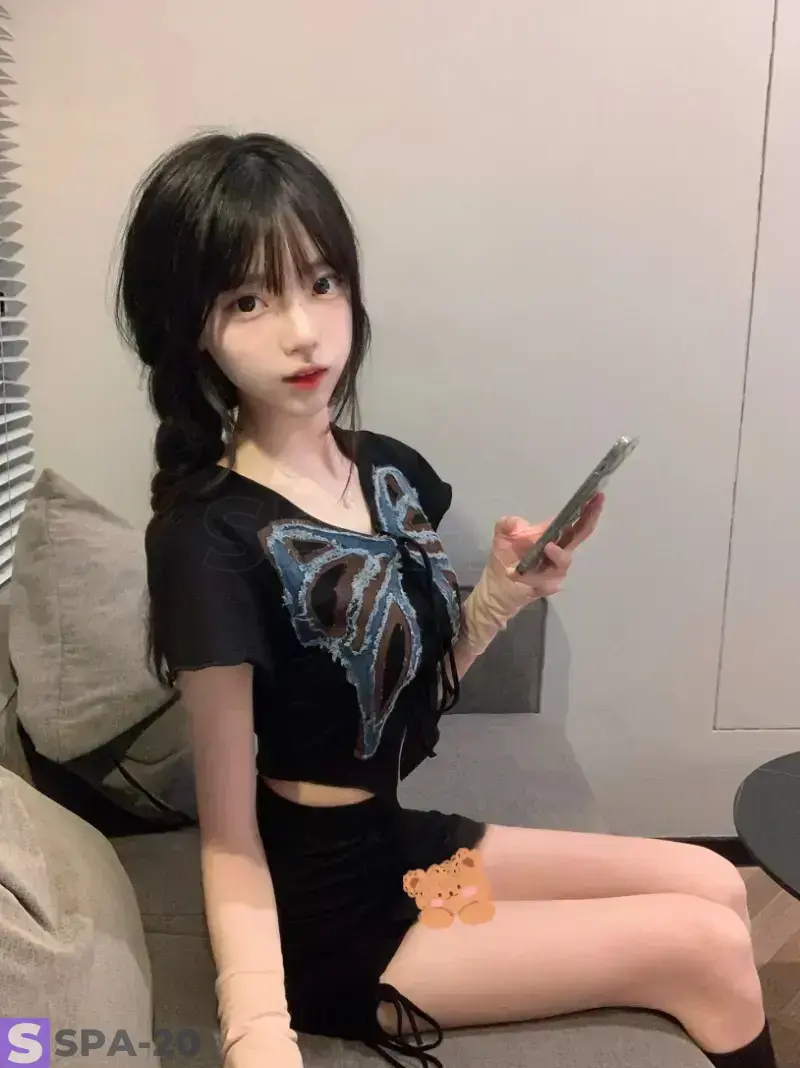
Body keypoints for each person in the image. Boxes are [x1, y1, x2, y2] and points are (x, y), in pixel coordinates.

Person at [114, 131, 776, 1068]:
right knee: (701, 945)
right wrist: (255, 1024)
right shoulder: (208, 540)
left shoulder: (387, 470)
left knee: (712, 879)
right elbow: (227, 836)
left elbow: (401, 699)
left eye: (321, 283)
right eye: (248, 300)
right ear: (191, 326)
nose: (303, 331)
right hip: (334, 923)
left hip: (402, 851)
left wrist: (501, 596)